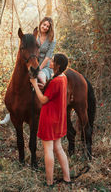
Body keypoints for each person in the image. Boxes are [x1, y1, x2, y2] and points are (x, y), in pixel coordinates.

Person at [0, 17, 56, 125]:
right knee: (18, 81)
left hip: (44, 66)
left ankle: (45, 105)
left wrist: (39, 68)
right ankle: (11, 111)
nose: (45, 27)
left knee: (41, 79)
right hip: (32, 63)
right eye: (43, 25)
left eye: (47, 26)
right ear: (40, 24)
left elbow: (48, 57)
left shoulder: (51, 40)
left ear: (50, 28)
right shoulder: (34, 37)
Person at [30, 53, 71, 187]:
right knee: (58, 148)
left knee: (48, 150)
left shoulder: (55, 81)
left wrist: (35, 84)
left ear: (57, 65)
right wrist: (45, 88)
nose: (50, 62)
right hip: (59, 119)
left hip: (49, 118)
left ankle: (49, 182)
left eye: (52, 61)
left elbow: (43, 100)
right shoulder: (63, 77)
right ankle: (67, 178)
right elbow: (53, 94)